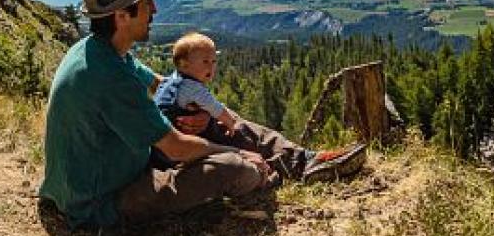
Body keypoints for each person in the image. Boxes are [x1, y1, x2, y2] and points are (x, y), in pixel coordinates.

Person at [37, 0, 363, 232]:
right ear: (122, 15)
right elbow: (176, 148)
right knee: (234, 168)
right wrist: (232, 149)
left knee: (225, 122)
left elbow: (161, 84)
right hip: (102, 202)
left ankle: (304, 161)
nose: (155, 8)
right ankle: (265, 170)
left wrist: (203, 113)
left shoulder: (102, 51)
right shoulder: (107, 75)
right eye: (147, 2)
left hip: (118, 168)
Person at [153, 32, 368, 183]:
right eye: (205, 62)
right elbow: (217, 108)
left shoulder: (174, 81)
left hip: (166, 147)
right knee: (233, 128)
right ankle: (292, 166)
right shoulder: (194, 88)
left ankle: (299, 162)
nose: (211, 67)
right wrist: (227, 121)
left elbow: (160, 89)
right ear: (184, 65)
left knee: (231, 127)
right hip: (174, 148)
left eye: (213, 61)